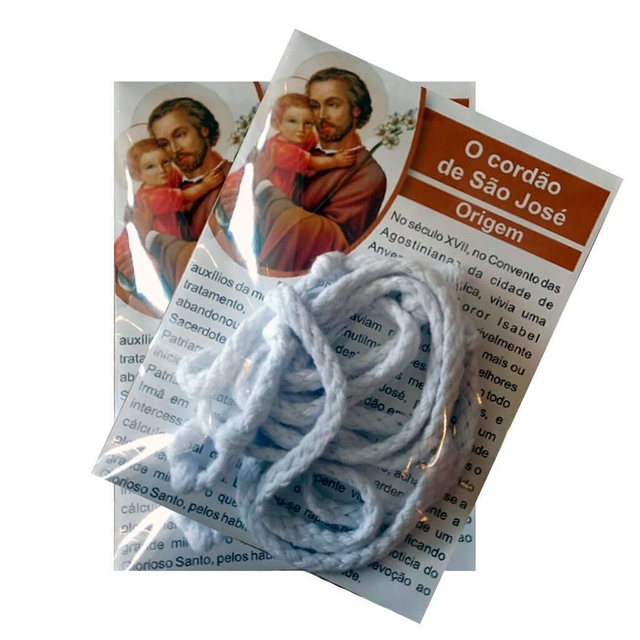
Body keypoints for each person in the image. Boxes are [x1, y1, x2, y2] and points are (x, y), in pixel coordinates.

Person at [115, 97, 231, 293]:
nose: (175, 150)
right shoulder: (170, 190)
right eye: (165, 144)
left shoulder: (232, 177)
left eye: (180, 135)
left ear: (203, 130)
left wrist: (150, 236)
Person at [126, 138, 225, 238]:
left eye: (165, 162)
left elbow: (179, 173)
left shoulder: (163, 178)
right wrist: (206, 185)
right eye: (150, 167)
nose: (161, 170)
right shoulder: (151, 197)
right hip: (164, 241)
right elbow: (186, 196)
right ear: (137, 175)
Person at [265, 93, 358, 199]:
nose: (301, 129)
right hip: (273, 197)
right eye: (292, 121)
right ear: (277, 124)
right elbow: (313, 163)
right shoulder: (280, 149)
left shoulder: (297, 137)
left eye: (308, 123)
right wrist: (336, 161)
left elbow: (316, 138)